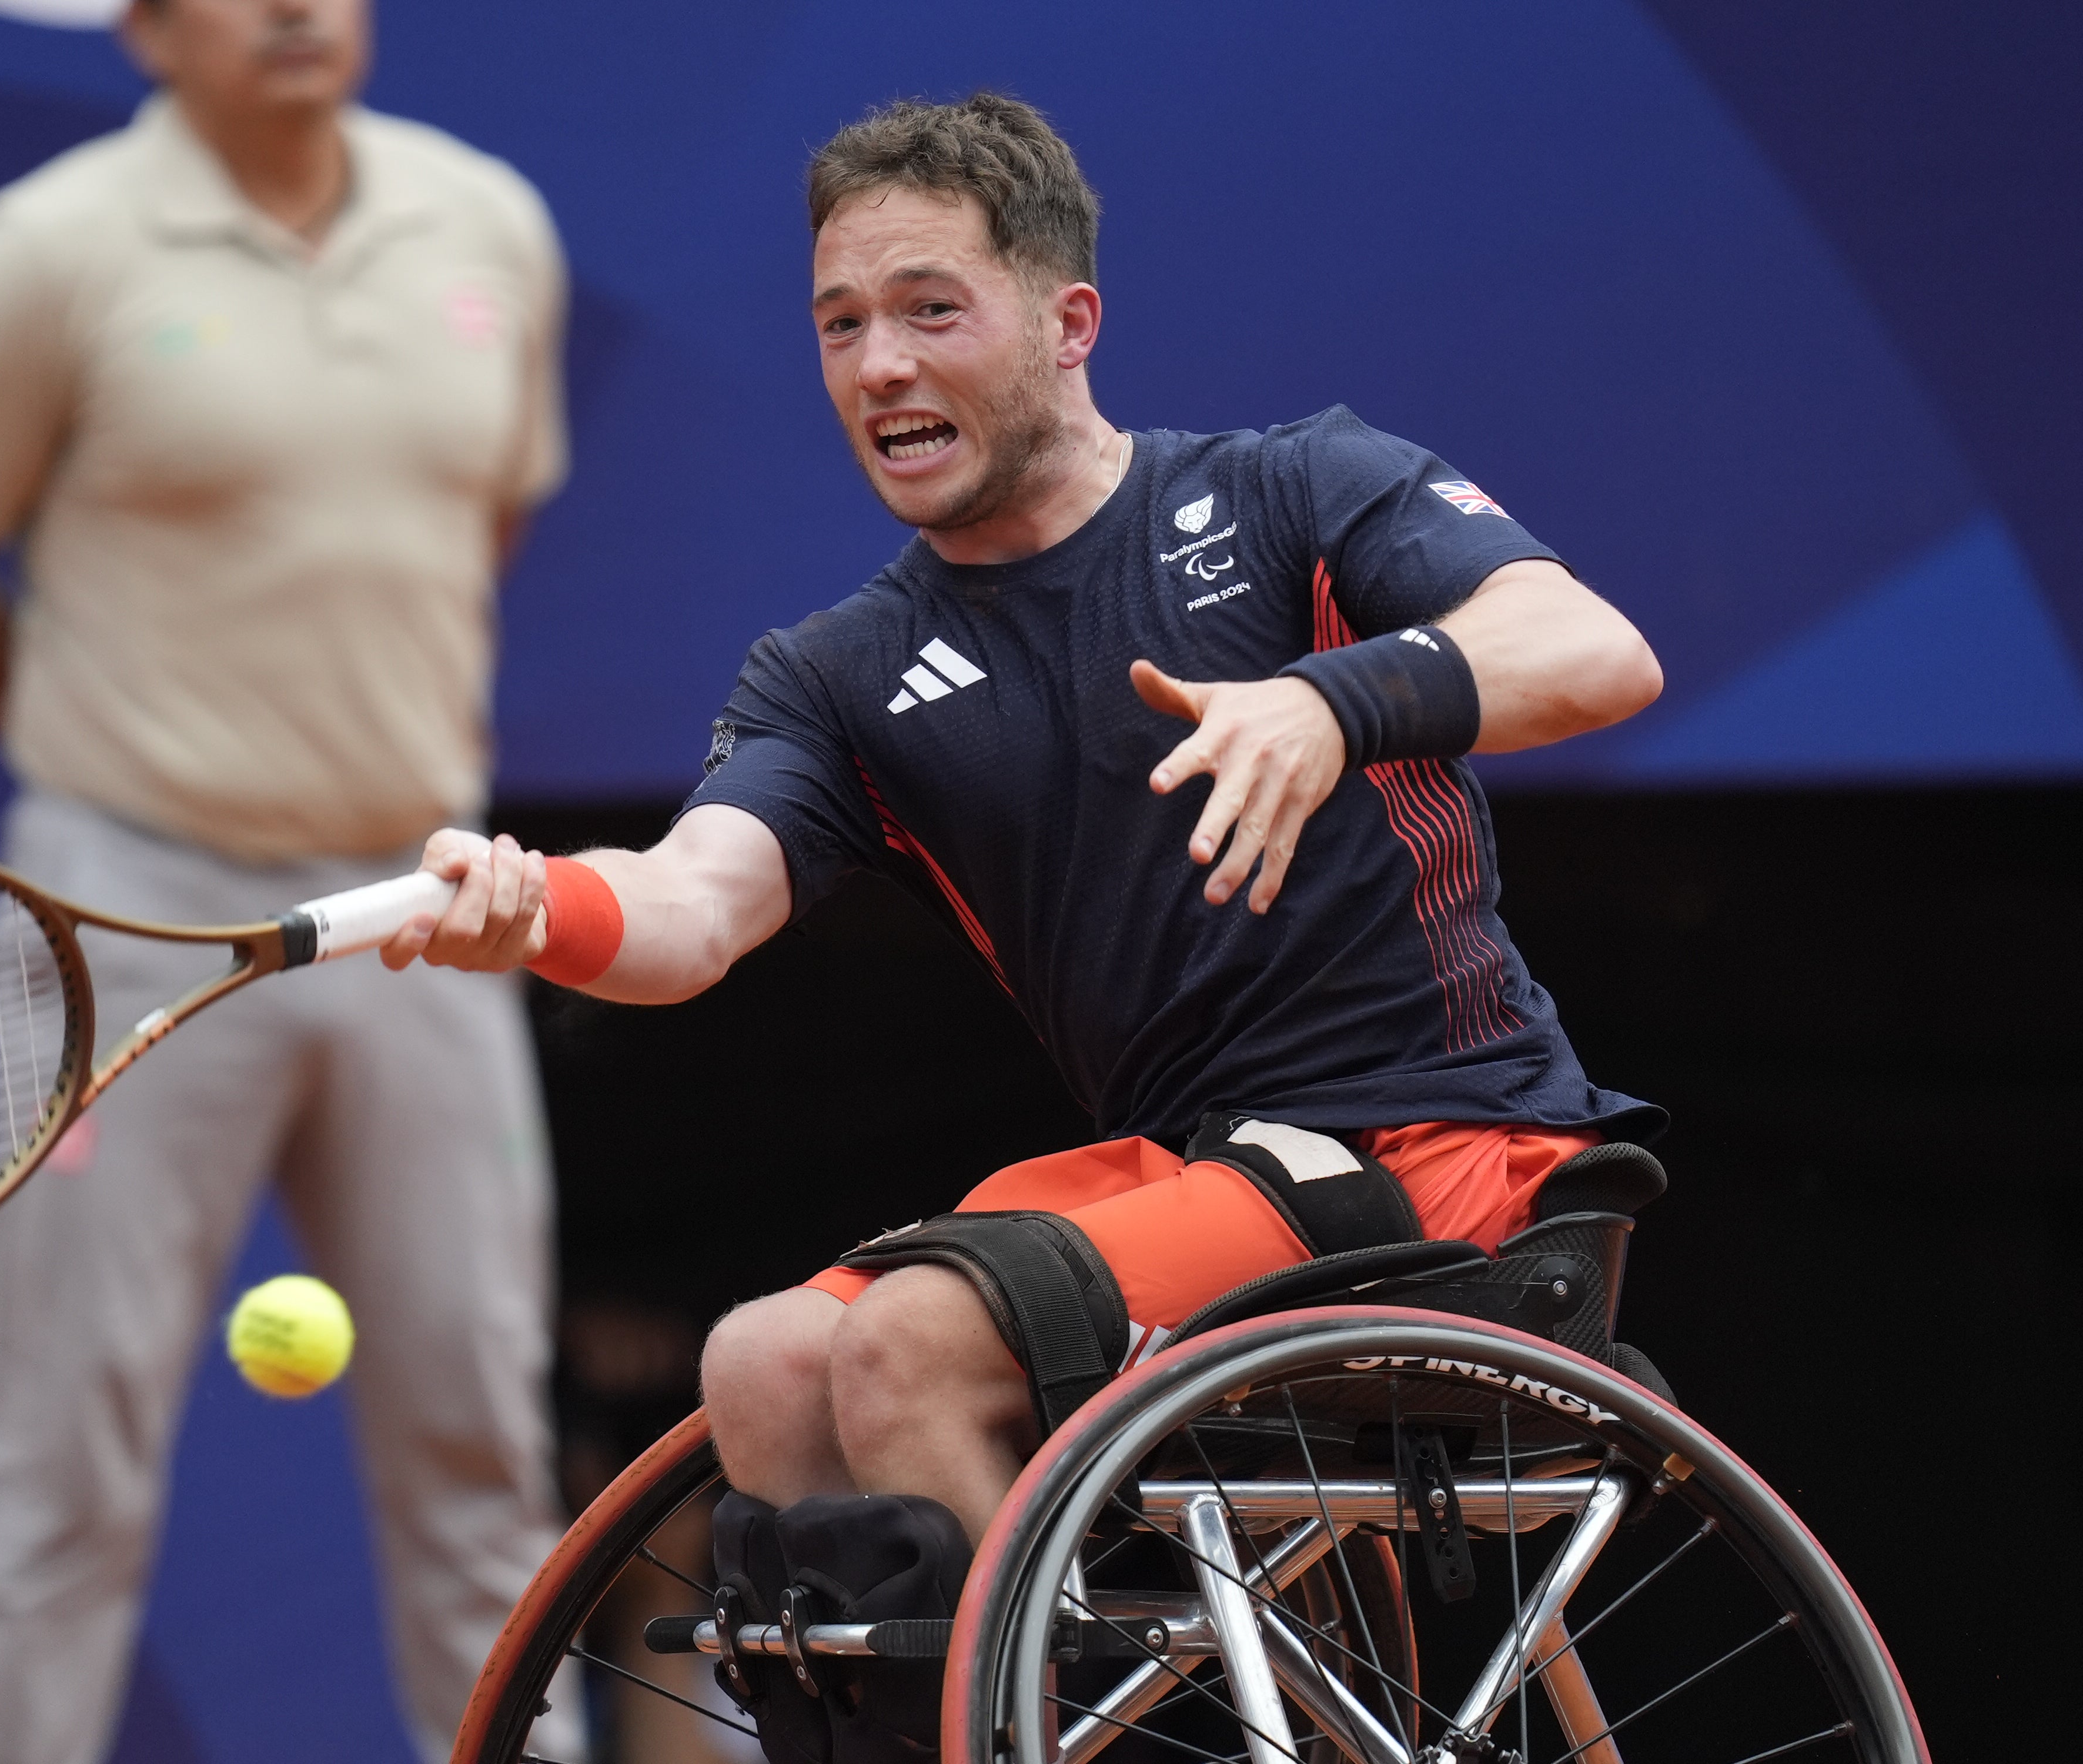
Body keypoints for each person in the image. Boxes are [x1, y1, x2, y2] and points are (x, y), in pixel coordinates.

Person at [389, 91, 1667, 1764]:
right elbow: (692, 909)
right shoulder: (839, 672)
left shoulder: (1294, 493)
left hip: (1442, 1158)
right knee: (767, 1364)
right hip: (1197, 1177)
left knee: (919, 1340)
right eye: (841, 325)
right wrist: (531, 905)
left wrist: (1329, 706)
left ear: (1069, 325)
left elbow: (1594, 651)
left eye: (932, 309)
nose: (878, 367)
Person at [0, 0, 576, 1759]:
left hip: (421, 909)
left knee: (482, 1452)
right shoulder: (46, 255)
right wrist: (128, 761)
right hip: (125, 915)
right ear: (149, 28)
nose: (296, 10)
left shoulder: (490, 225)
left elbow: (481, 516)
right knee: (57, 1465)